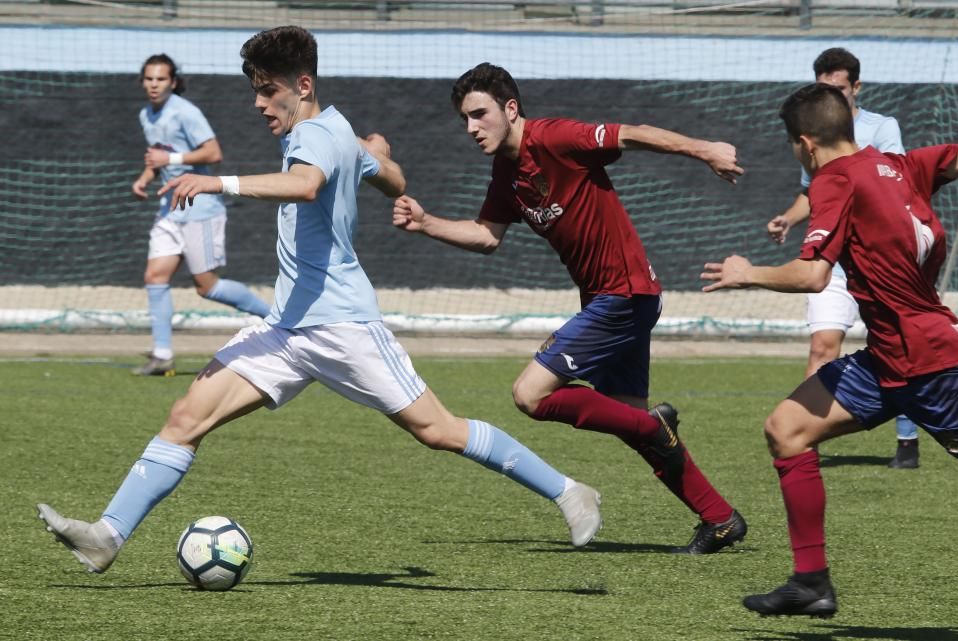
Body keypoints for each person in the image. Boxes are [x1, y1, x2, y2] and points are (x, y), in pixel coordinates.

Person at [37, 26, 602, 575]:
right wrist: (375, 161)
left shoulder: (313, 138)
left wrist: (216, 182)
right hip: (285, 329)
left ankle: (570, 489)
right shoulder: (338, 131)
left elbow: (305, 185)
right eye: (255, 89)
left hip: (341, 324)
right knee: (186, 416)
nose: (259, 102)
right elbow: (395, 177)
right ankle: (107, 537)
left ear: (302, 85)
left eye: (268, 89)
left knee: (437, 430)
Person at [392, 62, 747, 553]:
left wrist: (704, 149)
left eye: (479, 115)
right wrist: (428, 222)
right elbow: (486, 236)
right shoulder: (507, 172)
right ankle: (721, 518)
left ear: (510, 109)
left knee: (530, 395)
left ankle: (654, 426)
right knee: (629, 422)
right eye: (464, 120)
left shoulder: (556, 137)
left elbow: (634, 134)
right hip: (613, 298)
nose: (471, 128)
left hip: (623, 295)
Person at [702, 83, 958, 617]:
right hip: (888, 359)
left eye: (794, 147)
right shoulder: (899, 165)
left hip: (928, 367)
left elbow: (814, 275)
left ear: (805, 144)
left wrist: (749, 274)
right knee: (787, 430)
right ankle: (810, 583)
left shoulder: (832, 180)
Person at [766, 48, 921, 469]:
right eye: (822, 88)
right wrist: (789, 219)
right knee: (822, 345)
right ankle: (802, 438)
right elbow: (810, 193)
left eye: (837, 88)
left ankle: (907, 442)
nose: (830, 95)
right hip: (832, 259)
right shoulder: (812, 136)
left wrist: (747, 274)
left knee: (903, 349)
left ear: (856, 88)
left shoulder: (881, 130)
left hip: (880, 260)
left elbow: (897, 181)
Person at [131, 53, 271, 377]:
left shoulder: (186, 112)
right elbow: (159, 158)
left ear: (174, 82)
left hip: (199, 208)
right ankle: (162, 355)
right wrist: (144, 179)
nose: (154, 85)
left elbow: (213, 153)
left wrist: (169, 159)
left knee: (206, 287)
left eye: (161, 79)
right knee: (155, 277)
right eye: (149, 79)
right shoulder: (146, 115)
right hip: (169, 209)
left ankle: (277, 318)